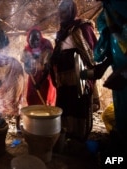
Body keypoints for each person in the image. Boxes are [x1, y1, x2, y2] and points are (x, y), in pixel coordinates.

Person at [50, 0, 97, 141]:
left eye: (64, 10)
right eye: (60, 11)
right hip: (63, 76)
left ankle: (79, 135)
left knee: (78, 103)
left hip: (78, 75)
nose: (61, 14)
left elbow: (91, 51)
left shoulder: (82, 27)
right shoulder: (61, 31)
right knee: (65, 102)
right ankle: (66, 132)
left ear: (72, 11)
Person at [93, 0, 127, 155]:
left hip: (122, 75)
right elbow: (116, 42)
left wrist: (124, 72)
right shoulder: (107, 10)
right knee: (121, 118)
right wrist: (104, 65)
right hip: (120, 79)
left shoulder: (121, 5)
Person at [21, 27, 56, 106]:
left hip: (44, 78)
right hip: (32, 78)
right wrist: (27, 69)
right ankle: (33, 117)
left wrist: (40, 83)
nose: (35, 42)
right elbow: (26, 67)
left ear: (40, 39)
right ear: (28, 39)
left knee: (43, 99)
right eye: (32, 40)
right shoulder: (26, 51)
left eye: (37, 39)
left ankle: (43, 117)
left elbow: (47, 69)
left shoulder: (46, 49)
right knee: (30, 98)